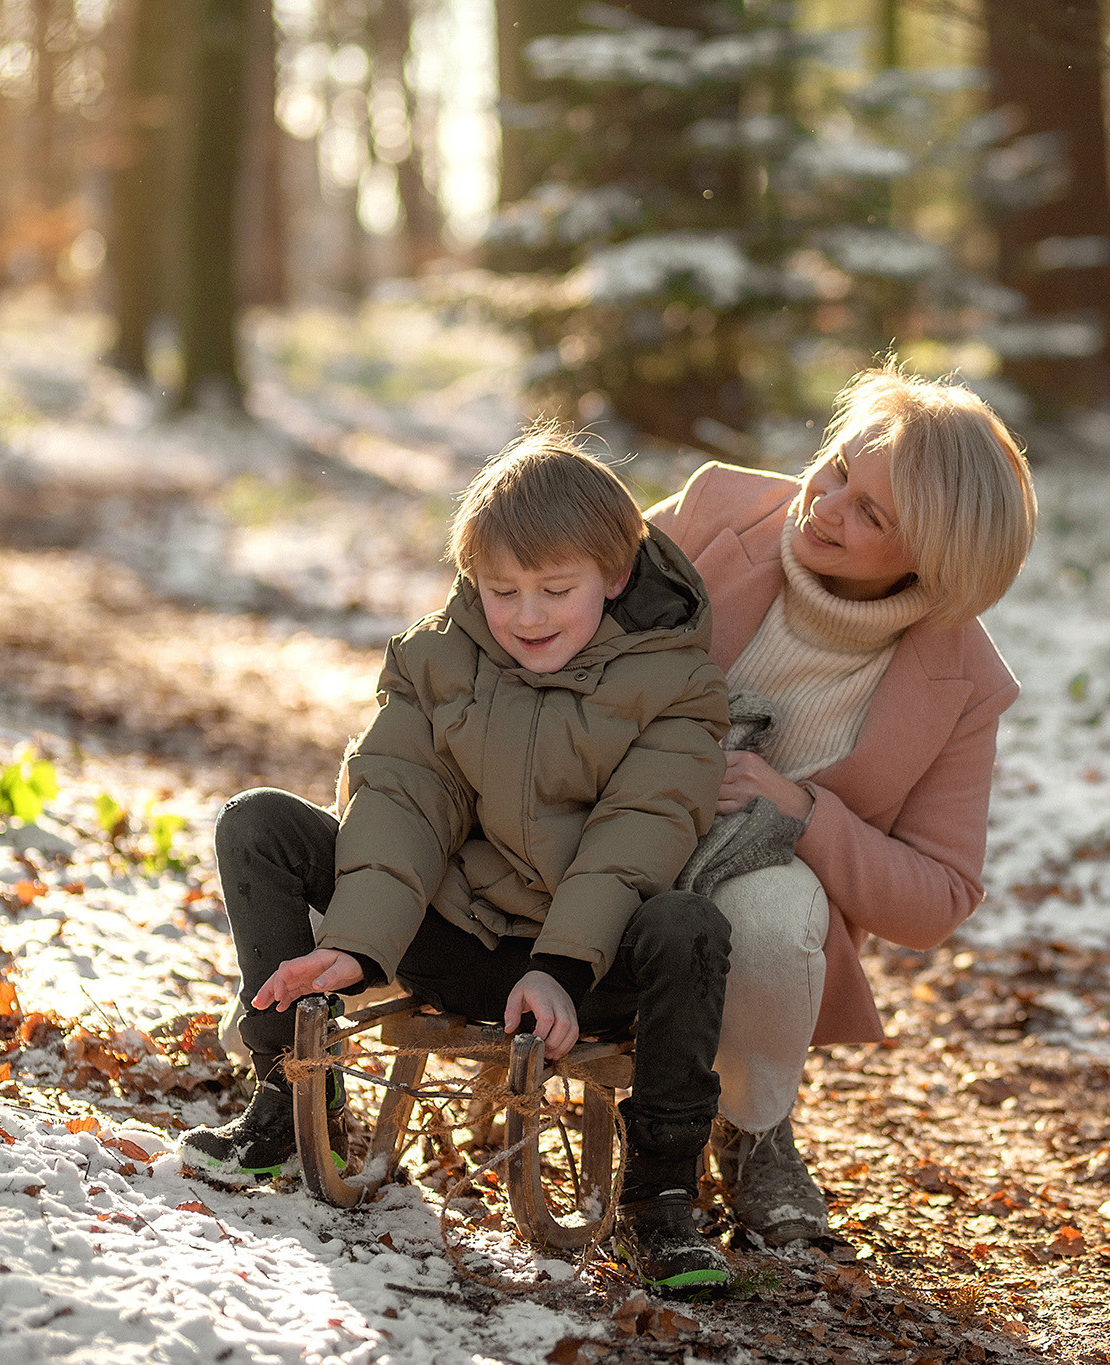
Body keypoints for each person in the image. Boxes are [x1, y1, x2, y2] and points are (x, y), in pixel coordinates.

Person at [180, 430, 736, 1289]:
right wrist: (361, 944)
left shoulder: (679, 686)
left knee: (689, 925)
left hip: (581, 967)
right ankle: (291, 1091)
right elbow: (403, 796)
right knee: (258, 823)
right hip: (450, 934)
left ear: (617, 576)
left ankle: (660, 1197)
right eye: (501, 589)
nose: (526, 615)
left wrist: (559, 965)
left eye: (556, 589)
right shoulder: (436, 658)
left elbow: (637, 836)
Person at [645, 366, 1037, 1245]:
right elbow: (547, 599)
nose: (826, 509)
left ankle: (752, 1128)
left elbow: (939, 896)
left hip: (753, 883)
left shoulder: (964, 682)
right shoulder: (715, 513)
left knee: (783, 910)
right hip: (603, 813)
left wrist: (803, 810)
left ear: (933, 562)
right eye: (835, 474)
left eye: (873, 516)